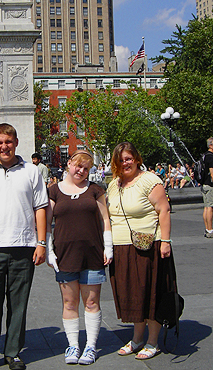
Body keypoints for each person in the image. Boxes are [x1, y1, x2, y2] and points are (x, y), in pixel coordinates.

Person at [0, 124, 48, 370]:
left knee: (19, 303)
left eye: (8, 141)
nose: (4, 146)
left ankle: (13, 352)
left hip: (24, 245)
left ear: (16, 141)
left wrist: (42, 242)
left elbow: (41, 208)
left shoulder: (32, 171)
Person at [46, 150, 112, 365]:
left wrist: (108, 246)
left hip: (92, 253)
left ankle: (91, 346)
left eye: (86, 168)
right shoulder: (54, 191)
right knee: (69, 301)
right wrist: (48, 249)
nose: (81, 171)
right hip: (65, 254)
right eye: (78, 166)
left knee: (91, 301)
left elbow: (105, 219)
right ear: (69, 164)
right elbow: (46, 224)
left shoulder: (95, 190)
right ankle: (73, 345)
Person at [106, 142, 172, 360]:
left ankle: (152, 341)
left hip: (147, 245)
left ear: (136, 158)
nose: (125, 162)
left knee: (150, 292)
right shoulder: (114, 184)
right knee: (133, 294)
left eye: (129, 158)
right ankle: (137, 338)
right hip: (121, 246)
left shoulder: (149, 180)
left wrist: (165, 241)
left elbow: (163, 210)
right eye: (121, 159)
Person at [201, 137, 213, 238]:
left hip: (204, 184)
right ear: (210, 146)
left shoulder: (204, 156)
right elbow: (212, 174)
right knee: (210, 207)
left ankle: (207, 228)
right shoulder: (211, 157)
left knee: (206, 207)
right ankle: (210, 230)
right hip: (210, 184)